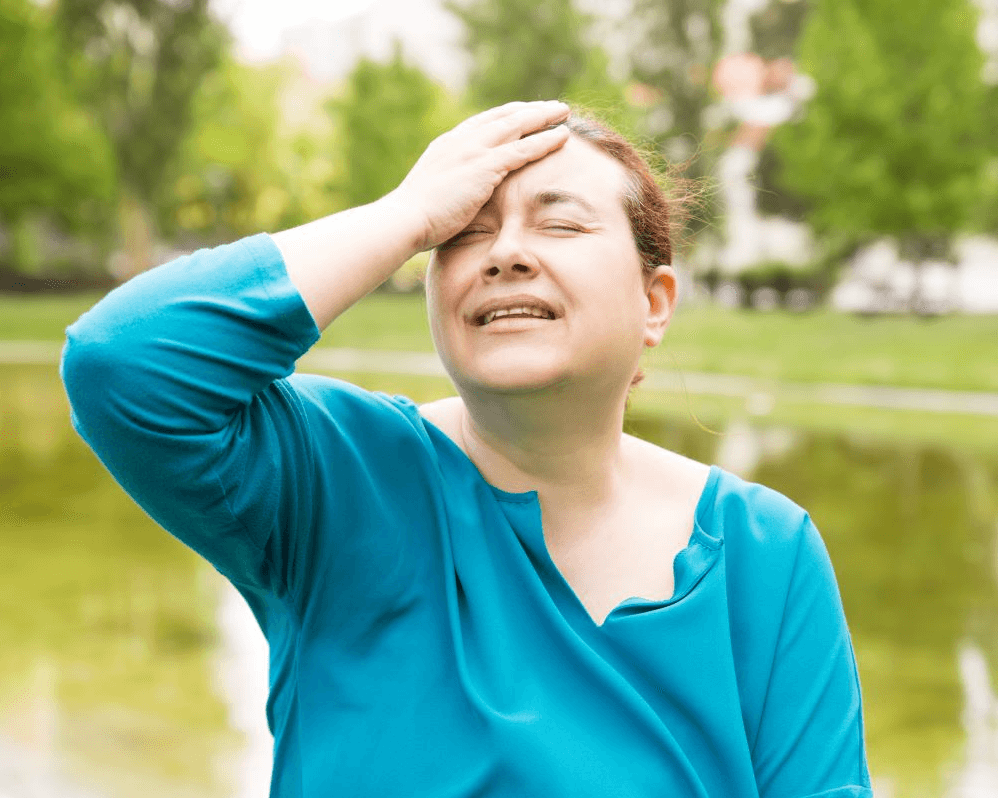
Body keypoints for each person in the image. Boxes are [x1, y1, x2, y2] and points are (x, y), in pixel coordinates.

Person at [61, 100, 871, 797]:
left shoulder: (765, 550)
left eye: (560, 222)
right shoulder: (337, 479)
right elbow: (121, 363)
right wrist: (407, 214)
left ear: (654, 302)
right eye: (463, 232)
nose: (505, 253)